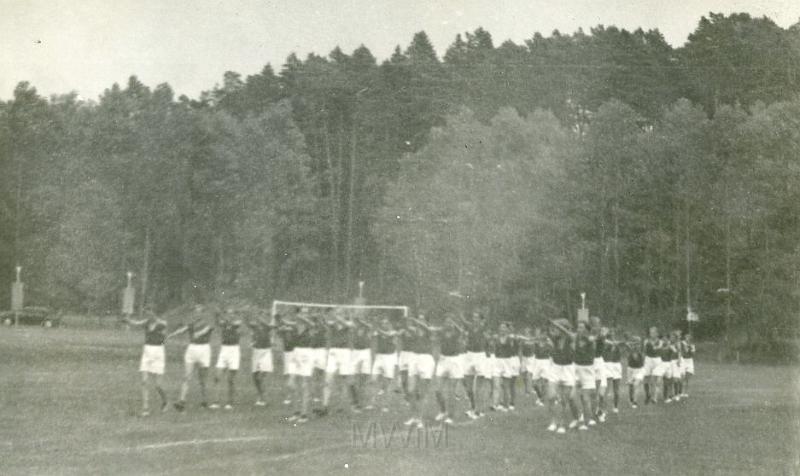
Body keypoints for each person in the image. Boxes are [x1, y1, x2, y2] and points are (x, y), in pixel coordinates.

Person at [123, 311, 169, 417]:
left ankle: (165, 400)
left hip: (158, 352)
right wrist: (127, 321)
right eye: (147, 313)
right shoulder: (146, 322)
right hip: (147, 351)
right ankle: (145, 408)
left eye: (150, 313)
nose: (148, 315)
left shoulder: (162, 324)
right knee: (144, 381)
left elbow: (166, 337)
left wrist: (160, 340)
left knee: (158, 385)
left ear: (155, 313)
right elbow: (136, 323)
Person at [170, 305, 214, 412]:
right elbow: (183, 330)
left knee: (202, 379)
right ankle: (181, 401)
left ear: (203, 313)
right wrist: (172, 334)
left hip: (204, 350)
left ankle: (204, 401)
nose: (197, 314)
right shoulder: (192, 324)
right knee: (187, 376)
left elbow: (205, 330)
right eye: (195, 312)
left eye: (199, 312)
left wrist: (199, 333)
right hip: (192, 349)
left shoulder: (208, 324)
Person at [319, 308, 359, 415]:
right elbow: (324, 322)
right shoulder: (332, 324)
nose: (337, 315)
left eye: (340, 313)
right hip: (333, 353)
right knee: (328, 380)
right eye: (336, 313)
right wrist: (324, 315)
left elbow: (349, 325)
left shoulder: (349, 323)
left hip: (345, 353)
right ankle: (325, 406)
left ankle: (348, 404)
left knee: (347, 381)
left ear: (344, 314)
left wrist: (337, 318)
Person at [402, 313, 435, 429]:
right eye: (419, 318)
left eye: (422, 319)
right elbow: (406, 327)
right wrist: (407, 320)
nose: (419, 321)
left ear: (426, 321)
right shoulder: (414, 330)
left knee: (422, 392)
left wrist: (416, 320)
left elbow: (427, 329)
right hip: (414, 358)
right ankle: (413, 416)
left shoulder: (429, 330)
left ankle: (420, 419)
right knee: (410, 390)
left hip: (426, 360)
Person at [430, 316, 465, 425]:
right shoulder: (442, 332)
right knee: (437, 390)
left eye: (450, 322)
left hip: (454, 361)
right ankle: (443, 411)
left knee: (451, 392)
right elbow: (433, 335)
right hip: (443, 360)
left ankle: (450, 416)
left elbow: (461, 331)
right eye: (446, 322)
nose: (448, 324)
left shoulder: (457, 333)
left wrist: (455, 323)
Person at [280, 309, 312, 423]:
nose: (303, 314)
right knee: (291, 384)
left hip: (306, 355)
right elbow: (287, 324)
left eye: (305, 313)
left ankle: (304, 414)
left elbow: (306, 322)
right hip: (295, 353)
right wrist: (282, 320)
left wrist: (298, 317)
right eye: (302, 312)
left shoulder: (310, 325)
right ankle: (296, 412)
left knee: (304, 385)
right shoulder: (294, 326)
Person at [549, 319, 580, 434]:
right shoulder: (555, 338)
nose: (555, 330)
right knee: (551, 397)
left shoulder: (571, 338)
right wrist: (554, 325)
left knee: (565, 400)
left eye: (557, 328)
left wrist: (560, 326)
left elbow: (571, 335)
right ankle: (553, 422)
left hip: (568, 369)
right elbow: (549, 331)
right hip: (555, 368)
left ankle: (562, 424)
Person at [210, 307, 243, 410]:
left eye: (231, 313)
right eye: (228, 313)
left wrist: (223, 318)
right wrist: (216, 315)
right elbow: (217, 323)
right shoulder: (224, 323)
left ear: (234, 314)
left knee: (230, 379)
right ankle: (216, 402)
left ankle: (230, 402)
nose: (230, 315)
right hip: (224, 350)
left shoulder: (237, 322)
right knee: (217, 376)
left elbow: (234, 324)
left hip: (234, 350)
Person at [460, 312, 489, 419]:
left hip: (480, 357)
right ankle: (473, 407)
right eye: (473, 317)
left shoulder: (482, 327)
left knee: (478, 388)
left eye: (477, 317)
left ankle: (477, 411)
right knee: (468, 387)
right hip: (469, 356)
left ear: (481, 320)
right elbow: (462, 319)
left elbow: (484, 320)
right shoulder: (470, 326)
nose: (474, 319)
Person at [370, 316, 399, 412]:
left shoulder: (393, 332)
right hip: (379, 357)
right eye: (382, 323)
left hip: (389, 358)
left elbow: (387, 335)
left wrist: (376, 329)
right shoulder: (378, 332)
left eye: (386, 323)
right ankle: (372, 403)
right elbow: (370, 335)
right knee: (373, 380)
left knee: (387, 382)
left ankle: (385, 405)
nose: (384, 325)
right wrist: (372, 328)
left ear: (389, 324)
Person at [247, 311, 276, 407]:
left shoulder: (268, 326)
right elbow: (247, 322)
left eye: (263, 315)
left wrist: (259, 318)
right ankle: (260, 396)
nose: (261, 316)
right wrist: (246, 313)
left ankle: (263, 398)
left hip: (266, 352)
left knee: (261, 376)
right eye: (261, 314)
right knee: (255, 377)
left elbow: (269, 326)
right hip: (256, 352)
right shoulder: (255, 326)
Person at [572, 321, 597, 429]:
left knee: (586, 398)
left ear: (586, 329)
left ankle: (589, 418)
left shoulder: (591, 339)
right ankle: (580, 418)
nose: (579, 329)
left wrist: (590, 338)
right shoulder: (575, 338)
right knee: (574, 395)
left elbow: (595, 339)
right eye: (578, 327)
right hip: (576, 367)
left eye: (581, 327)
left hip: (588, 369)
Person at [602, 327, 623, 414]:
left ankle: (615, 407)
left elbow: (620, 354)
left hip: (616, 366)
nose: (612, 335)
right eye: (611, 334)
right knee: (606, 389)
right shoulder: (605, 343)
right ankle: (604, 408)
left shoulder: (616, 345)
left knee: (616, 389)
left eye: (614, 334)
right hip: (608, 365)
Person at [643, 326, 663, 404]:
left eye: (654, 332)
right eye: (651, 332)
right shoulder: (646, 341)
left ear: (657, 333)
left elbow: (658, 347)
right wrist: (643, 361)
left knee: (656, 380)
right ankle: (647, 395)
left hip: (657, 360)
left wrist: (655, 346)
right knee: (646, 378)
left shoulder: (660, 341)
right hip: (648, 359)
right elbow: (644, 351)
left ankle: (655, 397)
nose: (652, 334)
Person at [626, 336, 645, 408]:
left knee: (636, 385)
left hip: (640, 369)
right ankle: (631, 399)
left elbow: (637, 358)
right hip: (630, 369)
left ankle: (635, 402)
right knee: (631, 386)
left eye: (638, 343)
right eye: (635, 343)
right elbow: (629, 356)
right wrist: (630, 348)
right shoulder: (630, 348)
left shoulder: (641, 349)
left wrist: (633, 350)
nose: (636, 345)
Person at [681, 333, 695, 398]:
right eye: (686, 337)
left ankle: (686, 392)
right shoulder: (682, 343)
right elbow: (683, 353)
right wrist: (686, 348)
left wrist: (690, 349)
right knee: (682, 377)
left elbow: (693, 354)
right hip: (683, 360)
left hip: (689, 361)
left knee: (687, 378)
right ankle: (681, 392)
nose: (688, 339)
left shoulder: (692, 345)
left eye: (689, 338)